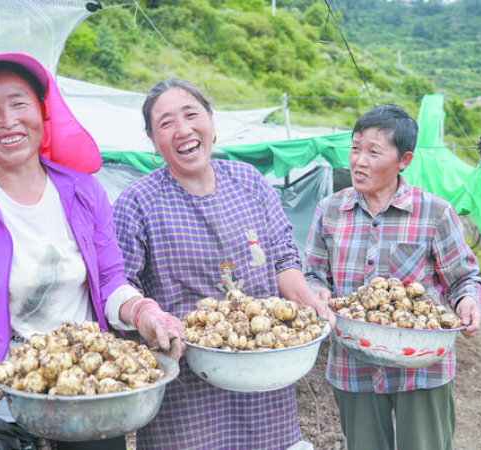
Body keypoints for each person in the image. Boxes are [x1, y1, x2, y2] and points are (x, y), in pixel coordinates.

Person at [0, 52, 183, 450]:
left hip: (88, 395)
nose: (8, 120)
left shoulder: (85, 192)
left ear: (42, 112)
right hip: (3, 401)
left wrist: (144, 311)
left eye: (19, 103)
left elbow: (110, 282)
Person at [112, 77, 335, 450]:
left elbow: (283, 257)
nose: (183, 130)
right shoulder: (138, 202)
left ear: (212, 121)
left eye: (191, 114)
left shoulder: (249, 182)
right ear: (152, 139)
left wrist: (309, 300)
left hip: (262, 369)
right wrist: (152, 323)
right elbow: (121, 286)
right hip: (187, 383)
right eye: (166, 123)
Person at [304, 103, 481, 450]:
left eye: (373, 152)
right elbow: (314, 274)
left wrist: (469, 302)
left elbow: (463, 278)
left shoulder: (435, 212)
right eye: (355, 148)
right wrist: (317, 294)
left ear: (404, 160)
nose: (358, 161)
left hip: (423, 365)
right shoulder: (329, 211)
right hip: (352, 363)